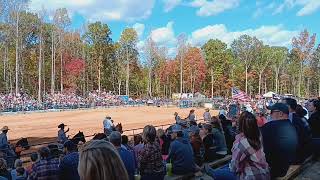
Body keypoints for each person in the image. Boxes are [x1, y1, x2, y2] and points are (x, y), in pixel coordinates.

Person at [205, 111, 270, 180]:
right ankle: (215, 172)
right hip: (264, 173)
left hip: (250, 176)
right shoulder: (258, 135)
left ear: (240, 125)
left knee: (222, 172)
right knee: (227, 166)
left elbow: (234, 167)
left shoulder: (242, 142)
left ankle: (214, 173)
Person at [261, 103, 298, 178]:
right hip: (286, 165)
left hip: (274, 169)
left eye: (272, 112)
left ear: (280, 113)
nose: (270, 114)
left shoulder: (270, 126)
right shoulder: (292, 125)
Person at [283, 98, 312, 163]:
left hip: (295, 157)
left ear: (288, 106)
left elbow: (297, 141)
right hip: (299, 155)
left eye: (282, 104)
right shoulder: (296, 118)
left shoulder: (294, 120)